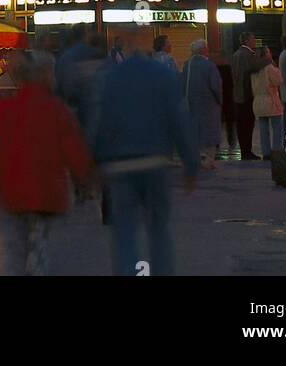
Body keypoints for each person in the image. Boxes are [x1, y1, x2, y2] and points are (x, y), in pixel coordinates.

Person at [0, 51, 92, 276]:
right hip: (46, 193)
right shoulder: (56, 110)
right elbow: (73, 150)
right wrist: (83, 177)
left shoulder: (1, 112)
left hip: (12, 194)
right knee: (39, 248)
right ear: (44, 76)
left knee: (16, 248)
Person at [93, 49, 199, 276]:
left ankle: (127, 271)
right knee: (159, 228)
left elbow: (99, 124)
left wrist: (96, 164)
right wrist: (191, 164)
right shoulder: (163, 75)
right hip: (155, 161)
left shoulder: (110, 78)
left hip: (119, 164)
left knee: (124, 230)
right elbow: (178, 120)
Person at [182, 39, 222, 169]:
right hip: (209, 104)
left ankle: (197, 156)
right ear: (203, 50)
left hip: (191, 103)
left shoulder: (187, 65)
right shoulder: (209, 65)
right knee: (210, 131)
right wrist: (220, 100)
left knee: (195, 130)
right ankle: (209, 159)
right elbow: (216, 86)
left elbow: (182, 84)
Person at [231, 32, 263, 160]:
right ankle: (247, 151)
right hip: (247, 94)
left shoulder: (236, 54)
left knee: (241, 124)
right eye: (253, 39)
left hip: (238, 95)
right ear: (247, 41)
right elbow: (250, 72)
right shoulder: (248, 55)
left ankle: (244, 150)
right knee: (248, 124)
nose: (254, 41)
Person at [251, 46, 283, 158]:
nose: (270, 53)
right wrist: (277, 68)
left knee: (263, 130)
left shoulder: (254, 69)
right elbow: (278, 80)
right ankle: (277, 152)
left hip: (258, 101)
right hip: (270, 100)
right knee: (277, 128)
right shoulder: (269, 67)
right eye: (268, 52)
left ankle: (266, 153)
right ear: (265, 54)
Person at [214, 56, 236, 155]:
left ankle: (217, 143)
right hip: (228, 98)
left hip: (220, 98)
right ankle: (231, 141)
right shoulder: (228, 69)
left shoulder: (214, 68)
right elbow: (232, 83)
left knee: (218, 122)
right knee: (229, 122)